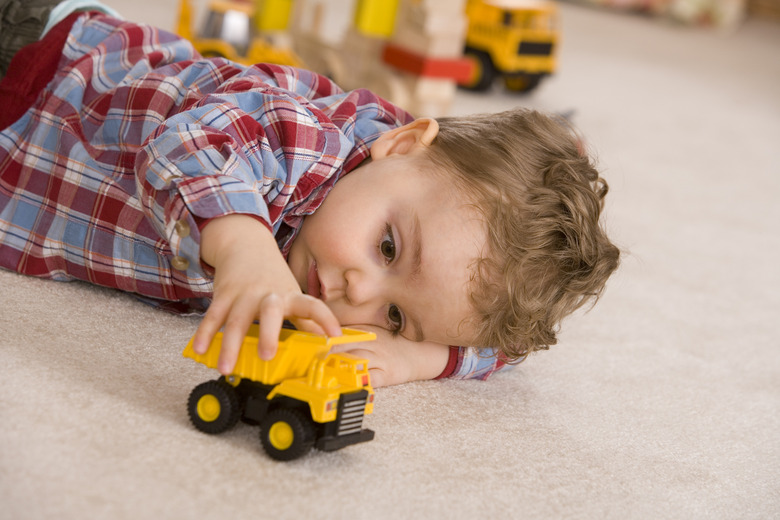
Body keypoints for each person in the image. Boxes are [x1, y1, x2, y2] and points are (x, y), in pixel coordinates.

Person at [0, 1, 620, 387]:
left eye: (396, 317)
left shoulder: (435, 255)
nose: (360, 295)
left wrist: (414, 358)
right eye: (386, 246)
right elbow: (193, 144)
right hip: (42, 73)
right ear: (400, 145)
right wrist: (247, 251)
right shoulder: (305, 136)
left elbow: (502, 344)